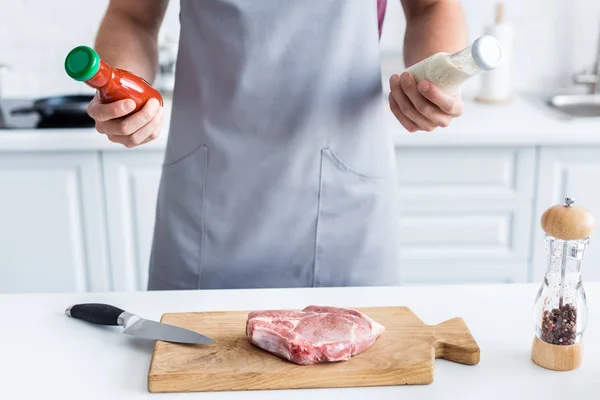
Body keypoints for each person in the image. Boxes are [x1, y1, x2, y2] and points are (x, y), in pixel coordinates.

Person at [88, 0, 467, 290]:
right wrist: (124, 90)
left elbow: (431, 6)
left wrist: (435, 81)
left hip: (346, 191)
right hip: (208, 193)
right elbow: (132, 16)